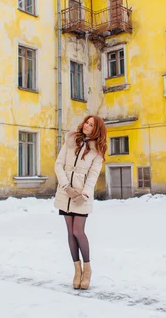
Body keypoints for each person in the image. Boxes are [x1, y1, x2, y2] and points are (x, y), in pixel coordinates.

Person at [54, 115, 107, 290]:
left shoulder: (97, 150)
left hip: (82, 195)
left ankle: (87, 268)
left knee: (78, 231)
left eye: (91, 125)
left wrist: (83, 194)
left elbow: (93, 176)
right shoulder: (71, 140)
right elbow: (58, 165)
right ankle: (77, 270)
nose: (87, 125)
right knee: (70, 232)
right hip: (65, 192)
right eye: (86, 122)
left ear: (96, 129)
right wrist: (66, 187)